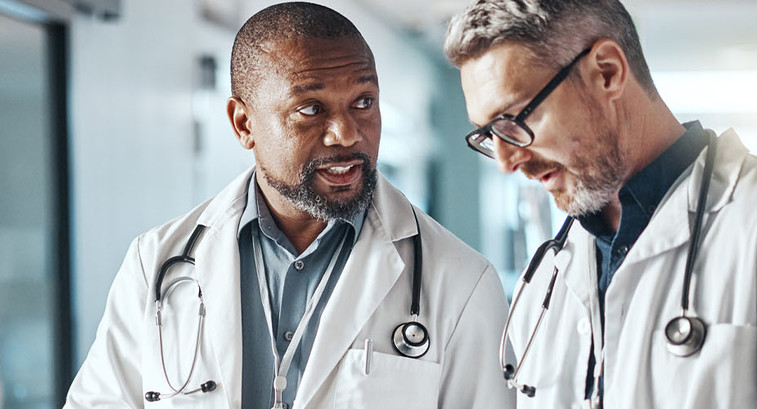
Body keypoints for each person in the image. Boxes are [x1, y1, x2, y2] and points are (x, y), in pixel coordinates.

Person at [64, 2, 515, 408]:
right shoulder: (155, 263)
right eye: (311, 109)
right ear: (244, 124)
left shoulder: (460, 280)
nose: (347, 133)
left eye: (363, 102)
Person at [444, 0, 757, 408]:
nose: (505, 162)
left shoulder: (745, 223)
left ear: (607, 72)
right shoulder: (544, 283)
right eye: (489, 134)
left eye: (515, 120)